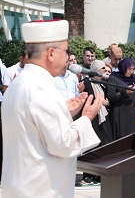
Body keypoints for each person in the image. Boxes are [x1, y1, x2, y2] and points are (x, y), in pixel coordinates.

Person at [1, 19, 102, 197]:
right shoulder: (43, 90)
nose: (67, 57)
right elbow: (63, 144)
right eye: (65, 51)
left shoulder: (19, 84)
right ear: (50, 54)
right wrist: (86, 118)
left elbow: (35, 129)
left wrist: (64, 111)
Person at [79, 60, 113, 184]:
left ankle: (99, 174)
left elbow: (106, 100)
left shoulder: (102, 84)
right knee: (90, 145)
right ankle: (87, 175)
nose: (104, 72)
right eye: (102, 69)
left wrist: (106, 102)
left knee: (102, 145)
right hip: (91, 118)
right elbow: (82, 97)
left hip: (102, 117)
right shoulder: (86, 82)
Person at [107, 57, 135, 139]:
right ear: (124, 67)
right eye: (129, 69)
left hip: (133, 113)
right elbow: (111, 96)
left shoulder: (134, 79)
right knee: (123, 139)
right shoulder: (113, 78)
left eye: (133, 69)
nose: (131, 71)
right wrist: (125, 91)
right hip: (121, 114)